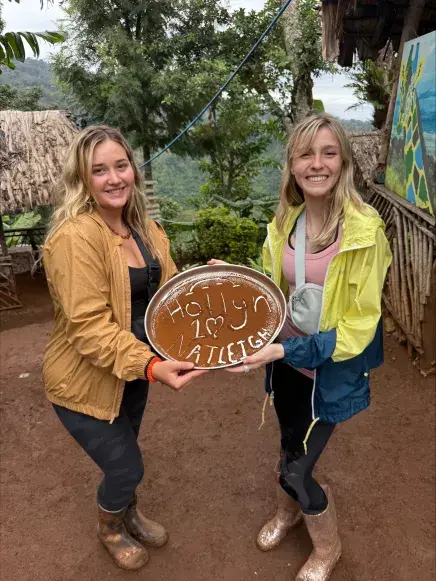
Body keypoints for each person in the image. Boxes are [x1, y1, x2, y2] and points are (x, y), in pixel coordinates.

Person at [224, 113, 392, 581]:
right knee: (286, 447)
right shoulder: (286, 222)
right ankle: (289, 513)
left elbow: (361, 326)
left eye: (328, 153)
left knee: (298, 470)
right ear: (292, 165)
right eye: (305, 154)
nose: (316, 164)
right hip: (287, 368)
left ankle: (327, 549)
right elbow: (272, 292)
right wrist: (235, 283)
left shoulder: (364, 231)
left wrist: (285, 351)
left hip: (329, 372)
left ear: (342, 163)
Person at [42, 125, 206, 571]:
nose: (114, 177)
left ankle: (128, 514)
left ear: (132, 169)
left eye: (121, 165)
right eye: (99, 170)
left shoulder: (146, 230)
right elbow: (90, 329)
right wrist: (152, 366)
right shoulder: (76, 238)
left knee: (128, 446)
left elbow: (170, 296)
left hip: (133, 373)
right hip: (84, 382)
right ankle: (110, 529)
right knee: (126, 466)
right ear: (83, 180)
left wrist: (207, 283)